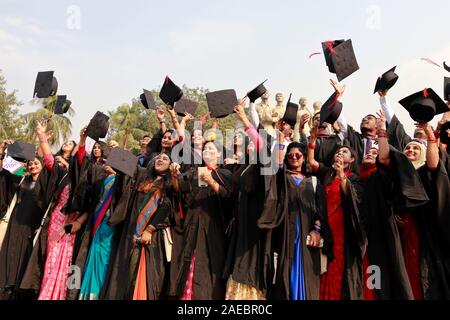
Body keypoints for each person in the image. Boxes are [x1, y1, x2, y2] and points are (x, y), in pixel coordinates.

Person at [374, 114, 450, 299]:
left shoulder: (425, 172)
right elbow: (384, 158)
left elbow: (434, 164)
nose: (411, 150)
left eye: (416, 148)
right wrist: (382, 131)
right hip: (401, 235)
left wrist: (430, 137)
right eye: (408, 147)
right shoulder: (399, 175)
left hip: (426, 232)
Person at [257, 139, 331, 300]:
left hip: (307, 238)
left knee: (308, 279)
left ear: (304, 157)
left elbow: (321, 210)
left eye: (298, 154)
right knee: (285, 276)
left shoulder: (313, 182)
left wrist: (317, 230)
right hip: (285, 235)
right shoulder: (281, 178)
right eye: (290, 155)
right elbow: (274, 173)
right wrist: (281, 141)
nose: (294, 157)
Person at [103, 152, 176, 300]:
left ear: (171, 165)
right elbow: (126, 165)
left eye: (165, 159)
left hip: (149, 239)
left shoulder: (170, 185)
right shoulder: (144, 176)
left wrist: (150, 229)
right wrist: (113, 153)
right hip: (129, 232)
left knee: (135, 277)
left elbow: (166, 209)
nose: (160, 160)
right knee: (120, 273)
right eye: (158, 157)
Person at [170, 140, 233, 300]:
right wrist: (174, 174)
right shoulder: (195, 172)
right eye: (204, 149)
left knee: (209, 269)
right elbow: (180, 191)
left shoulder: (225, 174)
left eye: (211, 148)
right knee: (188, 263)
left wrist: (211, 181)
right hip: (193, 226)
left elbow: (231, 200)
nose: (206, 151)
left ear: (219, 154)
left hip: (214, 229)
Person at [308, 131, 366, 300]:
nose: (340, 153)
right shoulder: (327, 174)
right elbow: (311, 162)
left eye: (345, 152)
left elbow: (352, 199)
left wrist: (342, 175)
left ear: (352, 160)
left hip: (343, 229)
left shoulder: (354, 178)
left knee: (338, 266)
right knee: (324, 267)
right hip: (326, 226)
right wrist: (312, 139)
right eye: (338, 151)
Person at [0, 140, 45, 300]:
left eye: (36, 163)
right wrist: (10, 149)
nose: (33, 166)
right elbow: (8, 172)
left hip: (32, 226)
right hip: (15, 223)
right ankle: (7, 286)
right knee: (10, 252)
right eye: (31, 164)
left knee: (25, 257)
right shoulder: (22, 180)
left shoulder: (46, 184)